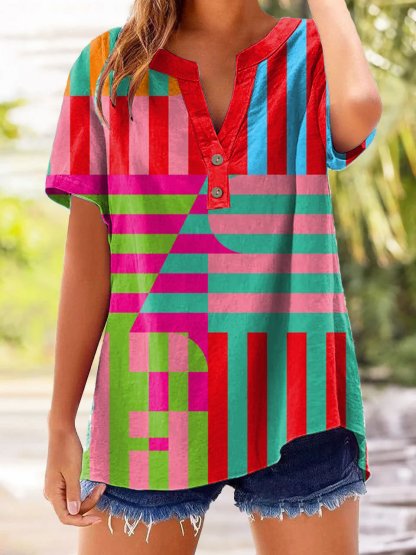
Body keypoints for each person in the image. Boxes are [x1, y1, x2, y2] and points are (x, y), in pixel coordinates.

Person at [43, 0, 382, 553]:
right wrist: (61, 422)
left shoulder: (311, 52)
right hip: (150, 398)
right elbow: (88, 260)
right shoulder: (108, 65)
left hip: (298, 396)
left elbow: (360, 111)